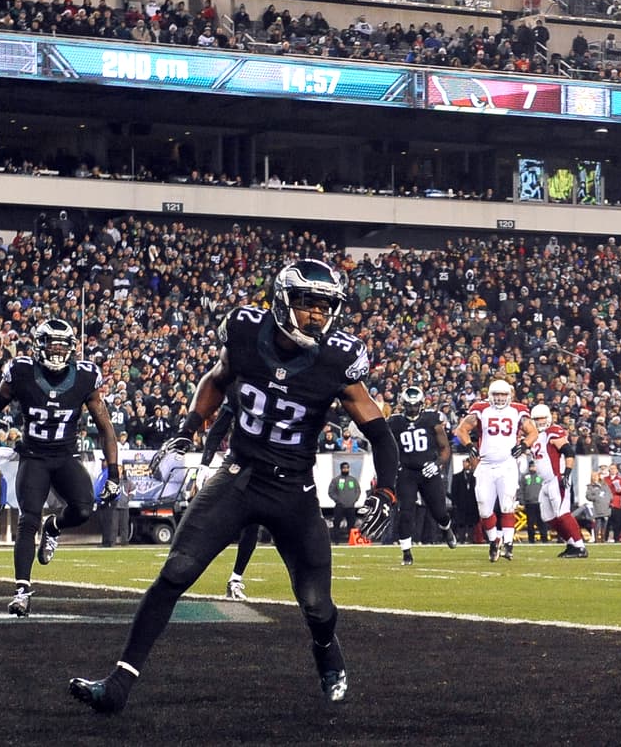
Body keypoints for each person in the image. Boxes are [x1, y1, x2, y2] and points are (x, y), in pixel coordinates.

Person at [70, 259, 400, 712]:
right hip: (239, 476)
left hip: (294, 491)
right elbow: (217, 379)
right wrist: (187, 429)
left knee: (316, 604)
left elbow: (379, 432)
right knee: (176, 572)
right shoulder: (245, 330)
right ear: (282, 301)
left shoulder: (337, 358)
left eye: (326, 306)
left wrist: (387, 490)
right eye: (309, 303)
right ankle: (118, 684)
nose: (318, 315)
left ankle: (327, 650)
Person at [0, 319, 119, 615]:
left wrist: (114, 472)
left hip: (65, 457)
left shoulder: (85, 377)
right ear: (39, 346)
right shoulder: (21, 372)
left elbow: (105, 427)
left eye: (63, 346)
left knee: (84, 509)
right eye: (53, 345)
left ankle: (54, 527)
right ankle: (21, 592)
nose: (58, 351)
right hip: (33, 456)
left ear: (72, 348)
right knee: (28, 520)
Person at [454, 378, 536, 561]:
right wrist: (469, 445)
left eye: (503, 395)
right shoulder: (481, 409)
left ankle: (509, 544)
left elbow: (533, 432)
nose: (499, 398)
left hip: (507, 464)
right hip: (486, 465)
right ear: (490, 395)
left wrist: (524, 445)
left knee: (507, 505)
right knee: (484, 508)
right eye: (496, 394)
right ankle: (493, 541)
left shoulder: (518, 410)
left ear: (509, 395)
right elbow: (461, 429)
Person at [200, 397, 260, 600]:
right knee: (218, 518)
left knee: (253, 525)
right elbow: (219, 428)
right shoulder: (240, 390)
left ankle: (235, 579)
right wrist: (204, 463)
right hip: (237, 463)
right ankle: (185, 564)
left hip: (266, 466)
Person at [389, 386, 457, 565]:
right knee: (405, 511)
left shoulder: (431, 419)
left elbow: (445, 448)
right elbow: (386, 447)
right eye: (409, 405)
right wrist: (394, 466)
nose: (412, 409)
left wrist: (437, 464)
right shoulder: (395, 422)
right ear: (403, 404)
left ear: (421, 404)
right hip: (407, 472)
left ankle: (446, 528)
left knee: (439, 511)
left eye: (415, 405)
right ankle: (406, 552)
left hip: (428, 470)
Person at [528, 403, 586, 557]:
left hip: (557, 478)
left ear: (548, 418)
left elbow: (569, 452)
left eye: (542, 418)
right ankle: (571, 543)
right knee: (548, 517)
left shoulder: (553, 431)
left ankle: (580, 546)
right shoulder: (535, 435)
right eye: (537, 419)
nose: (540, 421)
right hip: (546, 482)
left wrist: (566, 473)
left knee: (562, 513)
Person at [329, 461, 360, 544]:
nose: (346, 469)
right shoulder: (336, 480)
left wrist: (354, 500)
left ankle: (352, 541)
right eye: (344, 468)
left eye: (347, 468)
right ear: (341, 469)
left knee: (351, 524)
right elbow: (331, 492)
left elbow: (358, 491)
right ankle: (336, 541)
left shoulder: (353, 480)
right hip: (340, 506)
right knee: (337, 524)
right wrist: (338, 500)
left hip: (351, 506)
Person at [519, 461, 545, 543]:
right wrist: (522, 501)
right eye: (531, 466)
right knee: (530, 523)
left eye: (534, 466)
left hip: (540, 502)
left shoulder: (541, 476)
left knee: (542, 522)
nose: (533, 468)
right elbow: (521, 489)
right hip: (529, 503)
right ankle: (531, 539)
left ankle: (544, 538)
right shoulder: (524, 477)